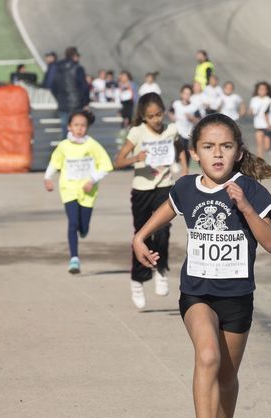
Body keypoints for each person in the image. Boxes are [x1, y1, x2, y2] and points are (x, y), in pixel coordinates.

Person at [132, 113, 271, 418]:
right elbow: (166, 210)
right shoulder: (186, 187)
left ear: (238, 152)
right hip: (196, 292)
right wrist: (139, 238)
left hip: (237, 297)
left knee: (227, 377)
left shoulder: (251, 189)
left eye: (226, 147)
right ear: (195, 152)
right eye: (209, 147)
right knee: (207, 355)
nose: (217, 154)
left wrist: (245, 207)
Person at [114, 92, 187, 309]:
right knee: (142, 235)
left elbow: (180, 147)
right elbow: (118, 161)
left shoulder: (171, 129)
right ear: (143, 117)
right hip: (142, 190)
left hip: (164, 186)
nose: (156, 120)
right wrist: (135, 158)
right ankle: (137, 280)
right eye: (151, 116)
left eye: (159, 114)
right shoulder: (137, 132)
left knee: (163, 230)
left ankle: (161, 269)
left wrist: (183, 168)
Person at [43, 110, 113, 273]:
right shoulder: (63, 146)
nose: (79, 128)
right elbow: (54, 163)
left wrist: (92, 180)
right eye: (76, 125)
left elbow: (106, 165)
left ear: (87, 127)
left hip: (88, 191)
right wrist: (48, 178)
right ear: (69, 127)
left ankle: (84, 229)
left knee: (83, 227)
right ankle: (74, 259)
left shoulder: (92, 145)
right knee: (72, 223)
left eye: (83, 125)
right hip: (69, 189)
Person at [51, 46, 90, 138]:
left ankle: (65, 150)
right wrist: (85, 102)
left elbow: (53, 87)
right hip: (77, 104)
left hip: (63, 103)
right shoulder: (78, 68)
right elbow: (84, 87)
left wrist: (59, 98)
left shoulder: (57, 68)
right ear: (74, 56)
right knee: (78, 131)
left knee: (66, 130)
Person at [169, 84, 199, 167]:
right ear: (181, 94)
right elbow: (170, 112)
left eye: (189, 94)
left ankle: (185, 169)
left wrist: (192, 118)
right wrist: (172, 117)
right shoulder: (176, 104)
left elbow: (198, 119)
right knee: (178, 146)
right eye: (185, 93)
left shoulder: (193, 107)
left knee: (187, 153)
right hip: (178, 131)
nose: (186, 95)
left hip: (188, 134)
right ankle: (175, 161)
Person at [248, 81, 271, 159]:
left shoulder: (270, 100)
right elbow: (250, 111)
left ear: (267, 90)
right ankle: (260, 164)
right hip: (258, 125)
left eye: (264, 89)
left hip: (268, 126)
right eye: (260, 89)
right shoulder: (254, 99)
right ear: (257, 90)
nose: (262, 90)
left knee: (267, 146)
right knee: (259, 145)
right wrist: (251, 112)